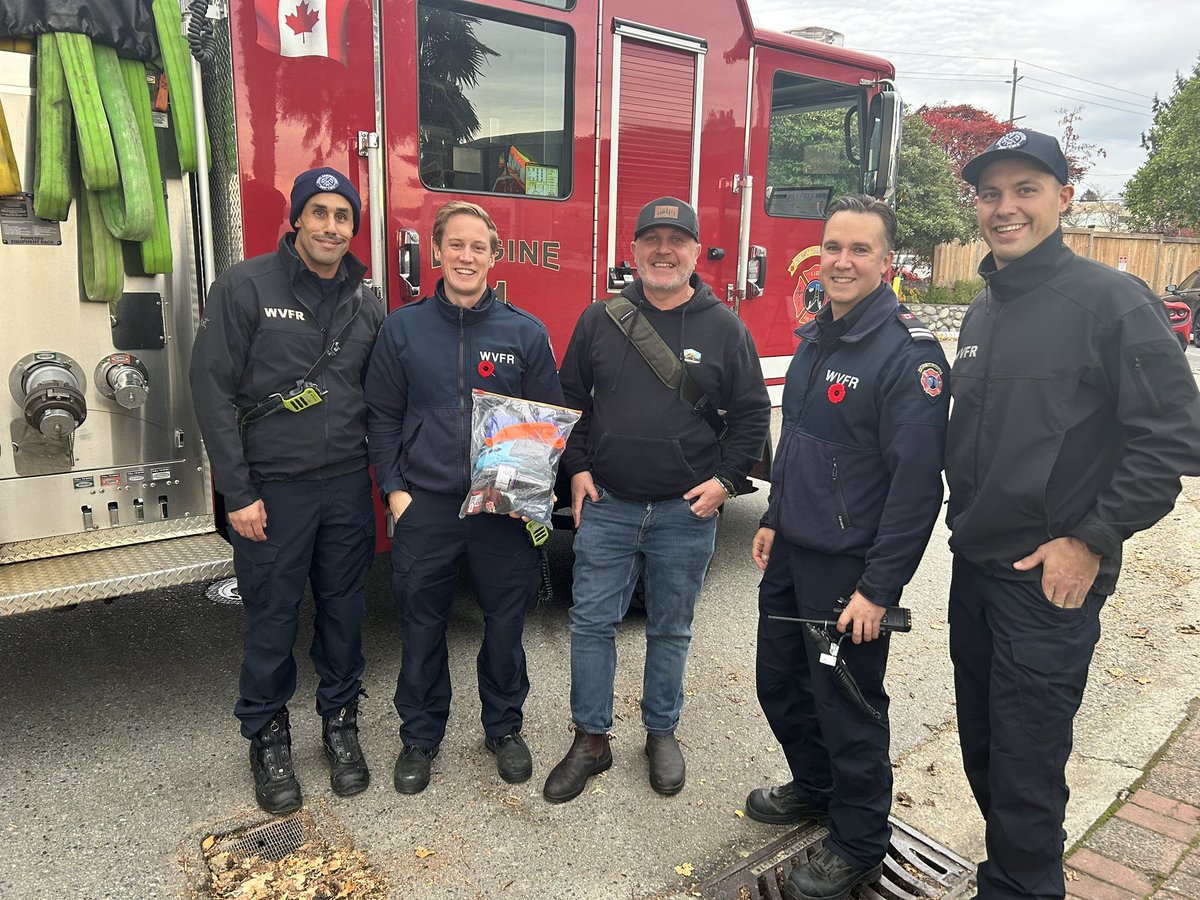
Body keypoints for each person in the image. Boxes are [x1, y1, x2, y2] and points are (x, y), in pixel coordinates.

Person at [946, 128, 1200, 899]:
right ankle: (1016, 877)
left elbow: (1173, 440)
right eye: (991, 193)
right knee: (987, 757)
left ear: (1064, 198)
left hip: (1045, 588)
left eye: (1026, 189)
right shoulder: (987, 308)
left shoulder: (1112, 301)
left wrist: (1090, 540)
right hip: (975, 572)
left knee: (1025, 772)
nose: (1005, 207)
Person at [745, 195, 950, 900]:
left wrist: (879, 589)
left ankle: (860, 841)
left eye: (860, 250)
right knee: (781, 683)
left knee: (848, 706)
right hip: (793, 551)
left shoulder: (907, 355)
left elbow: (917, 489)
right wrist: (772, 512)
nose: (842, 261)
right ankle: (815, 786)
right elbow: (799, 443)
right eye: (834, 247)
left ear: (887, 262)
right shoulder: (815, 336)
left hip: (848, 570)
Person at [544, 196, 771, 803]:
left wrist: (725, 482)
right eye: (652, 239)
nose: (663, 251)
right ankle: (590, 739)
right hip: (610, 503)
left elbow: (752, 417)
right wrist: (578, 469)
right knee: (592, 624)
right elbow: (571, 403)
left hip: (684, 513)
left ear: (697, 252)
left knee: (670, 628)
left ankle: (661, 732)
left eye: (677, 240)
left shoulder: (726, 328)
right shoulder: (600, 319)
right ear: (635, 249)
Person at [190, 166, 383, 815]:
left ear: (353, 228)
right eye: (320, 212)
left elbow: (388, 395)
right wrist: (236, 493)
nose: (331, 226)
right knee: (272, 619)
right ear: (298, 218)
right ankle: (267, 736)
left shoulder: (368, 300)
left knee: (344, 615)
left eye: (342, 216)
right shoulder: (245, 287)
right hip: (272, 493)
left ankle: (340, 725)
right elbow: (212, 390)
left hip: (347, 488)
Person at [364, 200, 563, 795]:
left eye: (479, 247)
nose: (467, 257)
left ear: (495, 257)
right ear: (437, 252)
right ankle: (419, 736)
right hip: (425, 505)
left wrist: (528, 498)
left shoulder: (524, 333)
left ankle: (503, 727)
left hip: (498, 511)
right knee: (422, 625)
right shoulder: (403, 327)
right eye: (456, 245)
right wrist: (396, 493)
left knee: (504, 625)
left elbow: (544, 426)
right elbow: (381, 417)